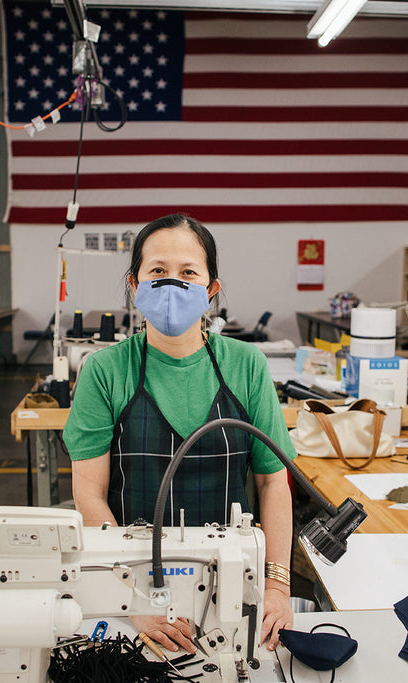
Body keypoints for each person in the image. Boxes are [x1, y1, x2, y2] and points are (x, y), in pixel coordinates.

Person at [63, 214, 296, 654]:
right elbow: (89, 495)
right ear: (135, 284)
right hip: (132, 581)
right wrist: (131, 596)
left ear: (211, 289)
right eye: (158, 271)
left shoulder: (246, 365)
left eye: (188, 272)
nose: (173, 283)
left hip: (230, 576)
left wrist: (277, 584)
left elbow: (273, 482)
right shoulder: (105, 370)